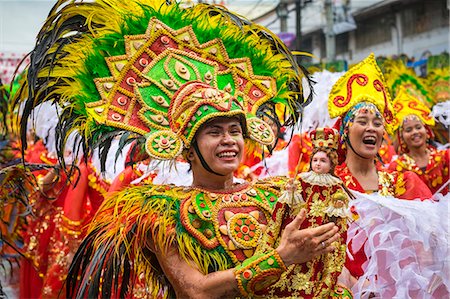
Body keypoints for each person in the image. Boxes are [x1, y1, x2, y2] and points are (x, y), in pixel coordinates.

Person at [15, 0, 341, 298]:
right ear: (187, 149)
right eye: (214, 132)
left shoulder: (279, 194)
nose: (229, 140)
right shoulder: (161, 212)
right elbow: (195, 290)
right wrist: (281, 257)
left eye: (234, 131)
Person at [328, 53, 449, 298]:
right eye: (362, 121)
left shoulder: (403, 183)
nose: (371, 127)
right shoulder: (329, 187)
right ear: (344, 130)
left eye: (377, 122)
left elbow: (430, 248)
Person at [263, 127, 353, 298]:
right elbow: (290, 205)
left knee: (315, 263)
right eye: (315, 160)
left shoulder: (335, 186)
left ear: (331, 164)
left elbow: (338, 218)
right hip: (300, 228)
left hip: (321, 232)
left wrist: (337, 205)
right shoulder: (302, 180)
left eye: (323, 161)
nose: (318, 164)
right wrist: (291, 191)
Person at [388, 87, 449, 195]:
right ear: (401, 137)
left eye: (418, 127)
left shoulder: (444, 158)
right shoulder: (397, 167)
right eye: (408, 130)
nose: (415, 132)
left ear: (427, 131)